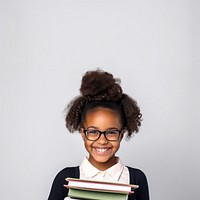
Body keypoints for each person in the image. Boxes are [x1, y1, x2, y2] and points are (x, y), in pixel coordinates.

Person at [48, 69, 150, 200]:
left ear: (122, 134)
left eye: (111, 132)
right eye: (93, 132)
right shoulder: (66, 178)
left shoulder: (136, 178)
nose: (102, 140)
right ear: (83, 133)